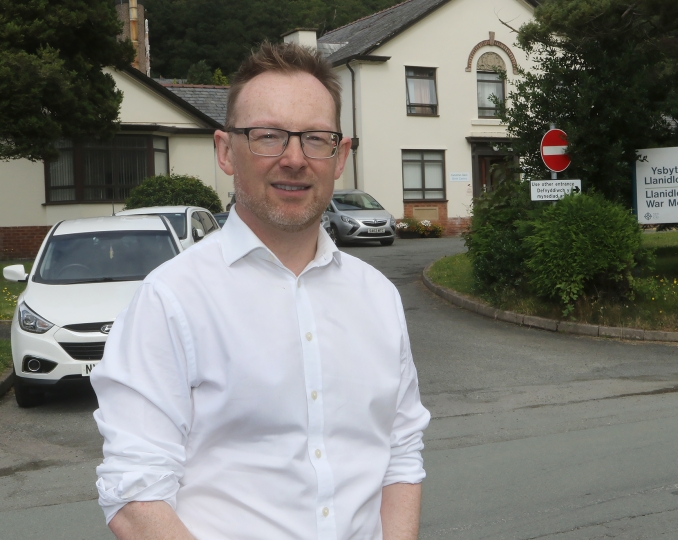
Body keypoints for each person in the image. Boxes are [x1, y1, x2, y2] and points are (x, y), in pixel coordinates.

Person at [91, 42, 430, 540]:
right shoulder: (171, 300)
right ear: (226, 151)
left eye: (316, 139)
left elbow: (400, 453)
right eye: (268, 136)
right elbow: (134, 495)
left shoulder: (377, 297)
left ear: (340, 157)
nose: (294, 159)